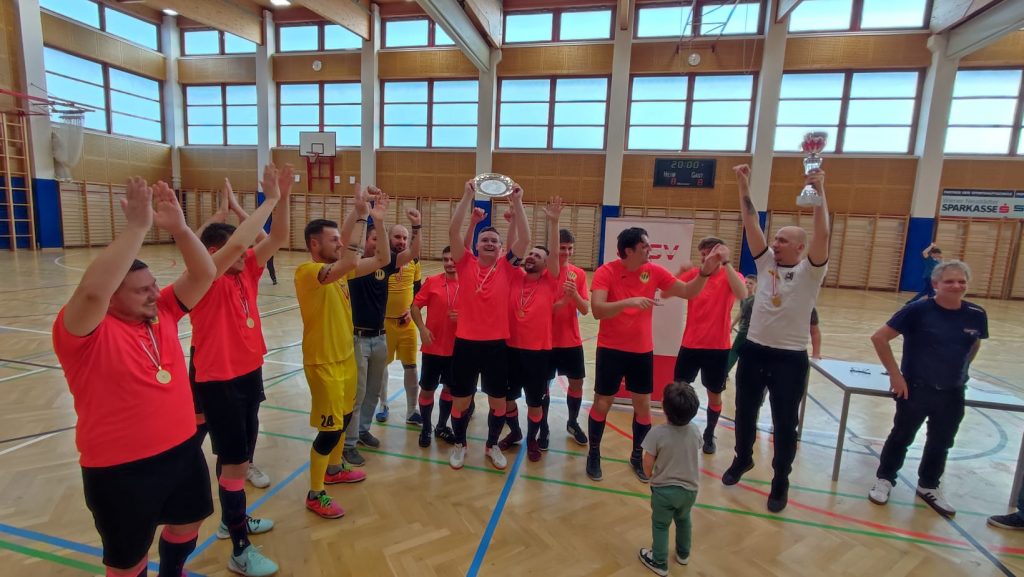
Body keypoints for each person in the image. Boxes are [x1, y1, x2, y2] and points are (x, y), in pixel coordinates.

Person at [53, 177, 216, 577]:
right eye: (141, 290)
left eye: (154, 284)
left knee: (188, 522)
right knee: (128, 559)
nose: (154, 293)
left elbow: (204, 273)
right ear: (113, 297)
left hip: (182, 451)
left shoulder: (163, 313)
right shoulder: (83, 332)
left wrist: (180, 229)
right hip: (120, 469)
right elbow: (91, 293)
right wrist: (137, 228)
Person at [188, 164, 291, 576]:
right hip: (220, 380)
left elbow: (277, 238)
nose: (244, 251)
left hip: (249, 373)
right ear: (215, 252)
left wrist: (282, 200)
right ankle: (239, 550)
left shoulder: (244, 269)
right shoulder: (205, 277)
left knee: (240, 456)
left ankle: (233, 520)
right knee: (233, 462)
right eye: (234, 246)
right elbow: (238, 243)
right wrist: (267, 200)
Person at [723, 164, 830, 513]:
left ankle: (780, 479)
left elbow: (823, 234)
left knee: (785, 423)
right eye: (776, 238)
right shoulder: (766, 262)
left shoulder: (810, 271)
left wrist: (819, 193)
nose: (775, 243)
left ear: (800, 247)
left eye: (783, 240)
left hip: (789, 358)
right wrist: (743, 183)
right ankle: (742, 457)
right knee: (744, 412)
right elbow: (750, 221)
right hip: (754, 351)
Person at [587, 227, 724, 482]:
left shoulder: (654, 271)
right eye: (645, 247)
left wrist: (704, 272)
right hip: (610, 349)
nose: (650, 250)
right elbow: (597, 310)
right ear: (629, 251)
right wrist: (628, 302)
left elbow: (688, 291)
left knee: (643, 406)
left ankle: (638, 456)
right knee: (602, 403)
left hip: (641, 351)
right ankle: (593, 453)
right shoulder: (606, 272)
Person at [867, 260, 987, 518]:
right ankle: (885, 479)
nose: (956, 286)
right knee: (901, 436)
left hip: (953, 392)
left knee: (941, 442)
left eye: (961, 281)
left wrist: (963, 370)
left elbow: (975, 344)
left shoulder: (976, 314)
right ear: (935, 284)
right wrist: (896, 375)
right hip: (916, 388)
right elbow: (879, 337)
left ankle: (929, 485)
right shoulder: (917, 310)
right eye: (949, 281)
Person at [294, 184, 385, 519]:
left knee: (345, 418)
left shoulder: (341, 272)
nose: (339, 243)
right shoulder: (309, 272)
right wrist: (360, 216)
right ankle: (315, 492)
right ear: (314, 244)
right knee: (330, 429)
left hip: (346, 358)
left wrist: (370, 217)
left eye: (338, 239)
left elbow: (380, 259)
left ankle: (334, 469)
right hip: (323, 363)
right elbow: (349, 255)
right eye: (332, 240)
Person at [446, 179, 531, 470]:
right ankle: (460, 444)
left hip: (496, 346)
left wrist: (518, 202)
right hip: (466, 344)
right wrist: (466, 195)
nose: (490, 243)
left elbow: (525, 239)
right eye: (485, 240)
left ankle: (492, 444)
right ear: (477, 245)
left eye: (494, 241)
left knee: (498, 403)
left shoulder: (507, 267)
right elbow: (453, 231)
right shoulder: (464, 263)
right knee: (461, 402)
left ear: (500, 247)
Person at [342, 206, 421, 466]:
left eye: (381, 240)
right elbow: (347, 241)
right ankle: (349, 443)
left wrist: (416, 226)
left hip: (380, 337)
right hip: (357, 338)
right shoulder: (351, 265)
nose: (378, 244)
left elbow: (412, 253)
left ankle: (363, 430)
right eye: (374, 239)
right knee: (357, 393)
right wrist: (363, 214)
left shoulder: (385, 265)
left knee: (373, 391)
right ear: (365, 241)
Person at [501, 197, 563, 462]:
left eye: (538, 255)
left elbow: (555, 255)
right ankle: (515, 431)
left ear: (545, 264)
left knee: (535, 403)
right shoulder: (515, 276)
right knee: (507, 400)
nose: (531, 257)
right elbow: (510, 250)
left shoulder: (550, 281)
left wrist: (554, 222)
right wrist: (514, 220)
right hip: (510, 350)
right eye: (530, 254)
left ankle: (533, 439)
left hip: (538, 353)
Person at [673, 237, 746, 455]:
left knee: (714, 394)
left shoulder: (732, 275)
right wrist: (681, 270)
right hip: (690, 344)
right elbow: (669, 287)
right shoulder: (695, 275)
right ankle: (679, 430)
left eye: (711, 254)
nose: (706, 258)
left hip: (718, 347)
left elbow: (743, 294)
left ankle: (709, 433)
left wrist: (726, 262)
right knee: (679, 389)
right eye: (703, 255)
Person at [638, 382, 702, 576]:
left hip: (664, 491)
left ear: (664, 407)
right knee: (684, 520)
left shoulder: (657, 433)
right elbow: (697, 447)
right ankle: (683, 554)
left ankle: (659, 562)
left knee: (660, 525)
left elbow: (647, 461)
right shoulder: (695, 430)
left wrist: (648, 475)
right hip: (690, 490)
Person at [410, 246, 460, 447]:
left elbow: (482, 313)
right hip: (432, 348)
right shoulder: (432, 282)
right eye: (445, 259)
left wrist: (464, 318)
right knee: (427, 389)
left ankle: (441, 426)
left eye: (453, 259)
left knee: (449, 389)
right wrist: (422, 329)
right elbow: (415, 306)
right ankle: (426, 428)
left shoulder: (469, 284)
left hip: (457, 349)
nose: (449, 263)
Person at [377, 225, 423, 425]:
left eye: (405, 238)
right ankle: (383, 404)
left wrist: (411, 311)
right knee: (381, 366)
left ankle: (412, 410)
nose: (402, 241)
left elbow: (418, 292)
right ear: (388, 238)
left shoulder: (414, 261)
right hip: (383, 324)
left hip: (407, 325)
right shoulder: (380, 261)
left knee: (411, 366)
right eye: (397, 237)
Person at [550, 228, 591, 446]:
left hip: (570, 340)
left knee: (577, 383)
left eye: (569, 248)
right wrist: (564, 301)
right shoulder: (546, 273)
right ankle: (543, 426)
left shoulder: (579, 274)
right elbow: (543, 310)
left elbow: (585, 309)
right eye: (562, 248)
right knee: (542, 385)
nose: (566, 252)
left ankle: (573, 422)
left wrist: (574, 294)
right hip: (546, 341)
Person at [726, 274, 757, 374]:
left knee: (735, 351)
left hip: (747, 331)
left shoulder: (754, 300)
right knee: (743, 352)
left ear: (756, 285)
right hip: (743, 329)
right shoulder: (743, 297)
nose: (747, 284)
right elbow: (741, 311)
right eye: (746, 282)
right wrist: (732, 325)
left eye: (751, 283)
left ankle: (724, 372)